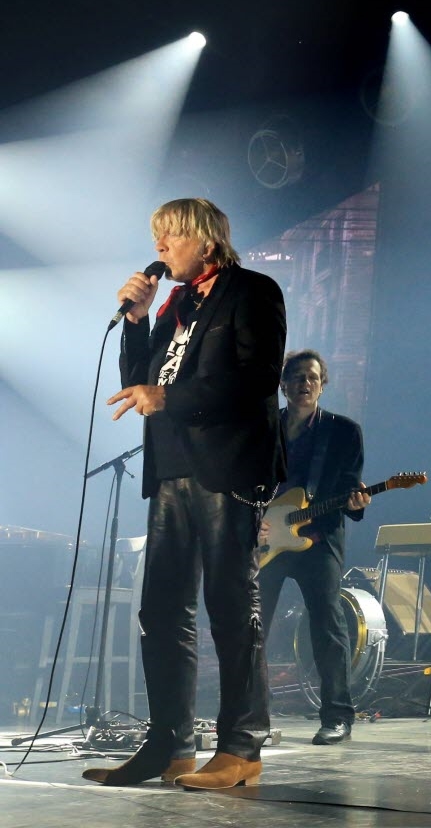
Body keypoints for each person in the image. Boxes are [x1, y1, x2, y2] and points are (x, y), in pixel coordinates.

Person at [86, 198, 285, 791]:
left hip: (228, 466)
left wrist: (170, 397)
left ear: (205, 240)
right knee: (162, 611)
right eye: (157, 236)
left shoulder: (251, 291)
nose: (160, 247)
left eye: (170, 235)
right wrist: (137, 321)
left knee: (230, 605)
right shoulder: (176, 304)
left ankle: (242, 747)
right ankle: (170, 747)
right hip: (171, 469)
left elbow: (258, 377)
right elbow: (139, 385)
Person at [256, 349, 371, 746]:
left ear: (323, 385)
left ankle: (337, 717)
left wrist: (356, 501)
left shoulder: (343, 431)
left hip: (318, 540)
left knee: (328, 625)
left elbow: (350, 486)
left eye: (312, 377)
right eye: (297, 377)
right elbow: (244, 481)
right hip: (266, 540)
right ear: (283, 384)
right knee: (251, 626)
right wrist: (254, 520)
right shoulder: (263, 428)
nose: (305, 383)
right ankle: (251, 714)